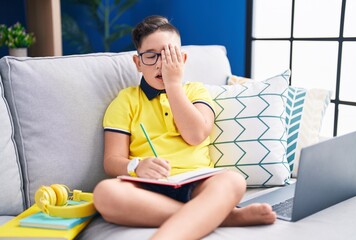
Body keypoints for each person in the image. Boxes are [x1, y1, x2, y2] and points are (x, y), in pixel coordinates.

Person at [93, 15, 276, 240]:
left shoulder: (196, 92)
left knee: (233, 181)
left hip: (198, 183)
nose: (161, 64)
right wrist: (137, 166)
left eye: (170, 56)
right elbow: (112, 161)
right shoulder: (125, 101)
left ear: (182, 59)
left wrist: (173, 86)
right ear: (138, 63)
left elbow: (196, 135)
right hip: (147, 189)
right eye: (151, 56)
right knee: (104, 193)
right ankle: (225, 217)